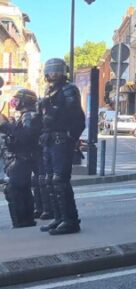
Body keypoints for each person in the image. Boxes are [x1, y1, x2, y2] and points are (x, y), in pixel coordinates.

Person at [38, 58, 86, 235]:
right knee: (50, 180)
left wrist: (70, 137)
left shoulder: (68, 90)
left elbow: (78, 119)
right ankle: (59, 217)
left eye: (57, 70)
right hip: (49, 139)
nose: (53, 74)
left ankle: (70, 220)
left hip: (61, 140)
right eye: (51, 70)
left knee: (59, 180)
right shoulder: (50, 91)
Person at [0, 88, 41, 228]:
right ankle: (26, 221)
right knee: (22, 189)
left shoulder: (29, 116)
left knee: (14, 189)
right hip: (24, 157)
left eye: (17, 99)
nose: (14, 102)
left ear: (26, 101)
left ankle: (22, 222)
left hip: (24, 157)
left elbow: (25, 136)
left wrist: (6, 126)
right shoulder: (26, 115)